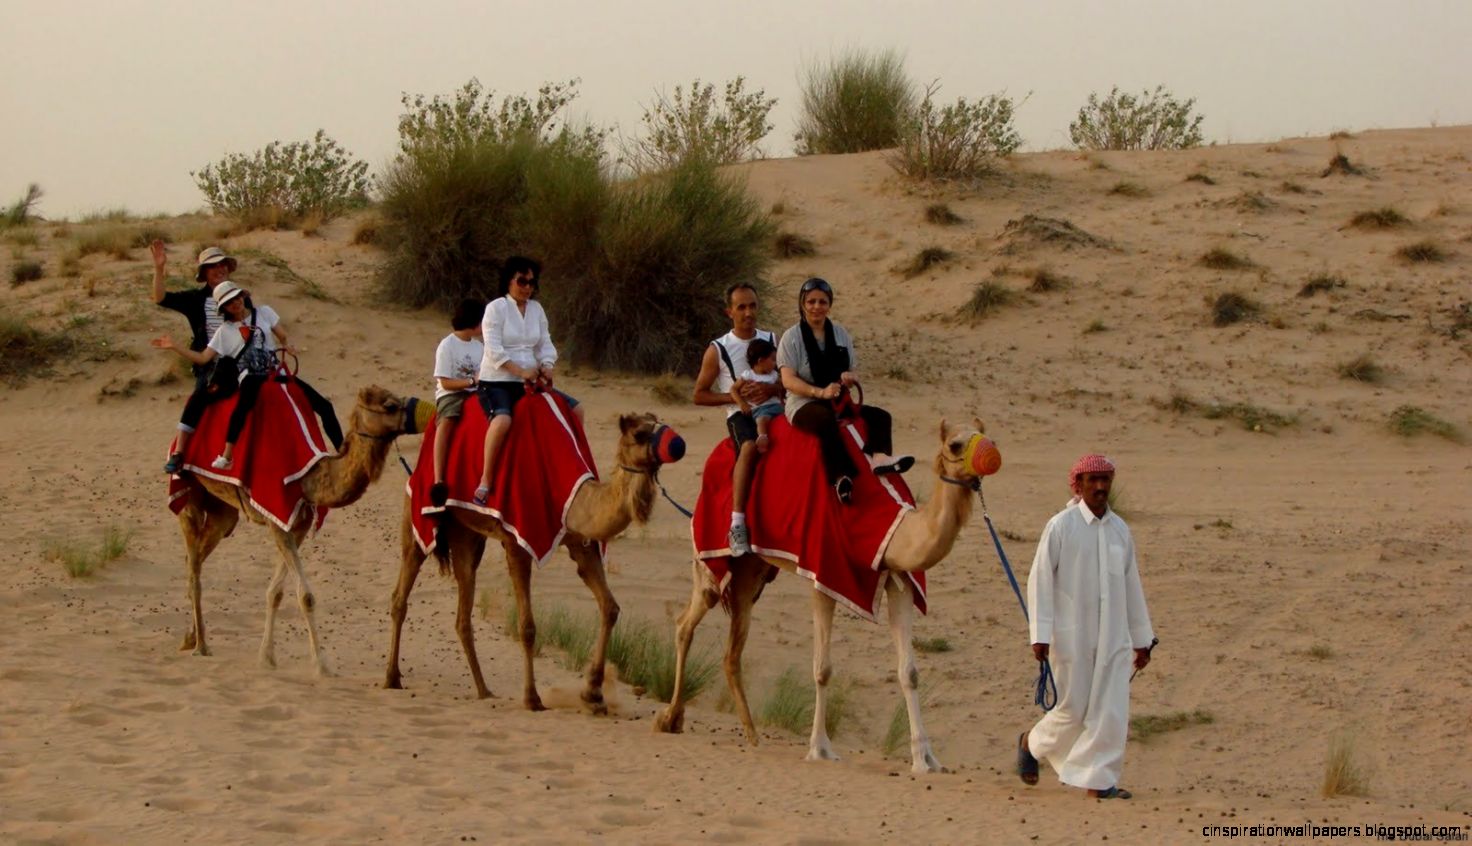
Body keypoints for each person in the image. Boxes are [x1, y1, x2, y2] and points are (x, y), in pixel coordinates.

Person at [1017, 454, 1155, 800]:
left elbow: (1131, 586)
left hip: (1113, 638)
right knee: (1072, 709)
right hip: (1070, 636)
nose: (1100, 487)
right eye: (1092, 480)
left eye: (1105, 480)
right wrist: (1040, 634)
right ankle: (1030, 744)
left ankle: (1099, 782)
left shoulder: (1120, 530)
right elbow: (1040, 582)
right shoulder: (1060, 526)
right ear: (1077, 485)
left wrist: (1142, 640)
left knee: (1111, 711)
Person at [153, 282, 342, 472]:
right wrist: (175, 346)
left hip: (275, 370)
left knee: (324, 405)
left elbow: (283, 336)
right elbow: (203, 358)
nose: (235, 303)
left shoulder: (264, 313)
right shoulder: (224, 331)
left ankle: (343, 451)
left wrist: (288, 345)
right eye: (229, 302)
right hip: (249, 375)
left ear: (243, 296)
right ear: (224, 308)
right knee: (242, 407)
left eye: (237, 298)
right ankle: (227, 455)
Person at [776, 277, 912, 505]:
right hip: (804, 402)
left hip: (838, 398)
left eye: (822, 301)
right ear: (802, 304)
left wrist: (849, 378)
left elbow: (851, 369)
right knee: (823, 420)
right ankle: (840, 476)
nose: (816, 307)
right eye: (811, 302)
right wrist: (820, 393)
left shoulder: (840, 335)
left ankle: (880, 458)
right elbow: (788, 380)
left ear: (829, 304)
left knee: (880, 416)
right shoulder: (791, 338)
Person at [472, 256, 582, 507]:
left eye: (532, 282)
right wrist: (521, 372)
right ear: (509, 281)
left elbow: (545, 343)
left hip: (531, 379)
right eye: (522, 281)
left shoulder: (536, 310)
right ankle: (486, 480)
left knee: (576, 409)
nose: (528, 287)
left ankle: (573, 469)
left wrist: (547, 365)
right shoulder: (496, 309)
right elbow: (494, 350)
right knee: (502, 420)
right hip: (499, 380)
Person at [691, 282, 782, 556]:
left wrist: (772, 389)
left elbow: (789, 380)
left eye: (752, 305)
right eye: (741, 307)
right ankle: (738, 522)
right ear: (729, 311)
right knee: (749, 447)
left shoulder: (774, 340)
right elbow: (699, 395)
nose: (748, 312)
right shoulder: (718, 349)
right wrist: (737, 399)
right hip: (741, 415)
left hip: (776, 407)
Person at [150, 243, 236, 392]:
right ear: (204, 273)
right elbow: (160, 298)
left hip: (240, 365)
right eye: (213, 266)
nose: (220, 269)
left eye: (222, 264)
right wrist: (159, 269)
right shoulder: (195, 299)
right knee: (198, 411)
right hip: (209, 367)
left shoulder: (240, 298)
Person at [430, 299, 486, 507]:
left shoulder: (479, 347)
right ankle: (438, 479)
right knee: (446, 422)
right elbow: (444, 382)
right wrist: (471, 381)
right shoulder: (447, 345)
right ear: (474, 322)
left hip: (475, 392)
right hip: (451, 394)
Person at [733, 337, 783, 454]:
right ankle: (762, 437)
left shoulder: (774, 375)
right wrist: (742, 403)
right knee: (762, 420)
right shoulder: (748, 375)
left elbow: (783, 387)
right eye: (772, 359)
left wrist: (778, 389)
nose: (775, 363)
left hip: (777, 407)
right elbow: (733, 389)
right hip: (761, 408)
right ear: (760, 360)